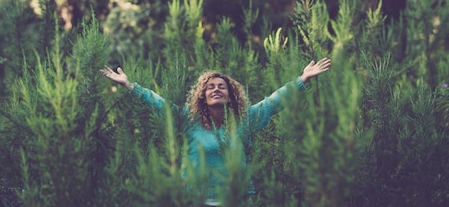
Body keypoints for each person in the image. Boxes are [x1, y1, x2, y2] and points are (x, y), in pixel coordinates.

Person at [100, 58, 331, 205]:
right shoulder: (187, 120)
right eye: (210, 87)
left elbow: (274, 102)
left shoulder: (245, 120)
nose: (216, 89)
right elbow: (157, 102)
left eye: (222, 87)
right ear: (202, 95)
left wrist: (302, 79)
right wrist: (130, 85)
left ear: (231, 95)